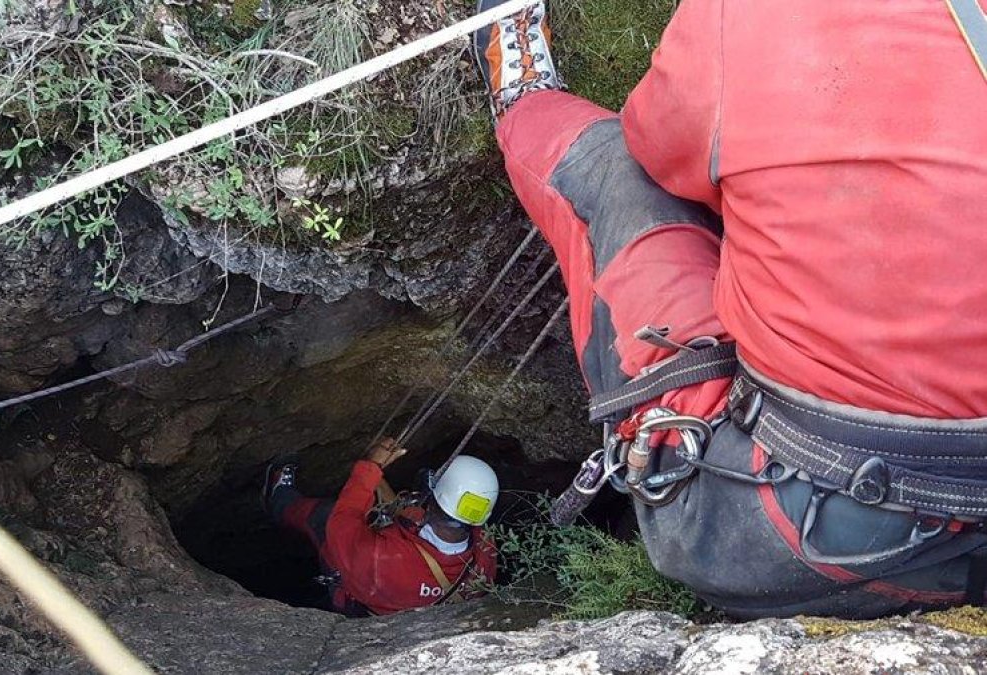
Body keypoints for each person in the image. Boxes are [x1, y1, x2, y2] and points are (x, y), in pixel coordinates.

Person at [473, 0, 987, 618]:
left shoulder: (744, 14)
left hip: (783, 538)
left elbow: (655, 145)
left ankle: (524, 97)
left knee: (618, 173)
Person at [264, 439, 499, 616]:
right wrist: (382, 485)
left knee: (325, 517)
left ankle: (278, 500)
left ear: (434, 503)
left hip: (361, 597)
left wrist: (369, 468)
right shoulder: (486, 549)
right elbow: (415, 518)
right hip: (405, 596)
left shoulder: (381, 558)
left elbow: (342, 524)